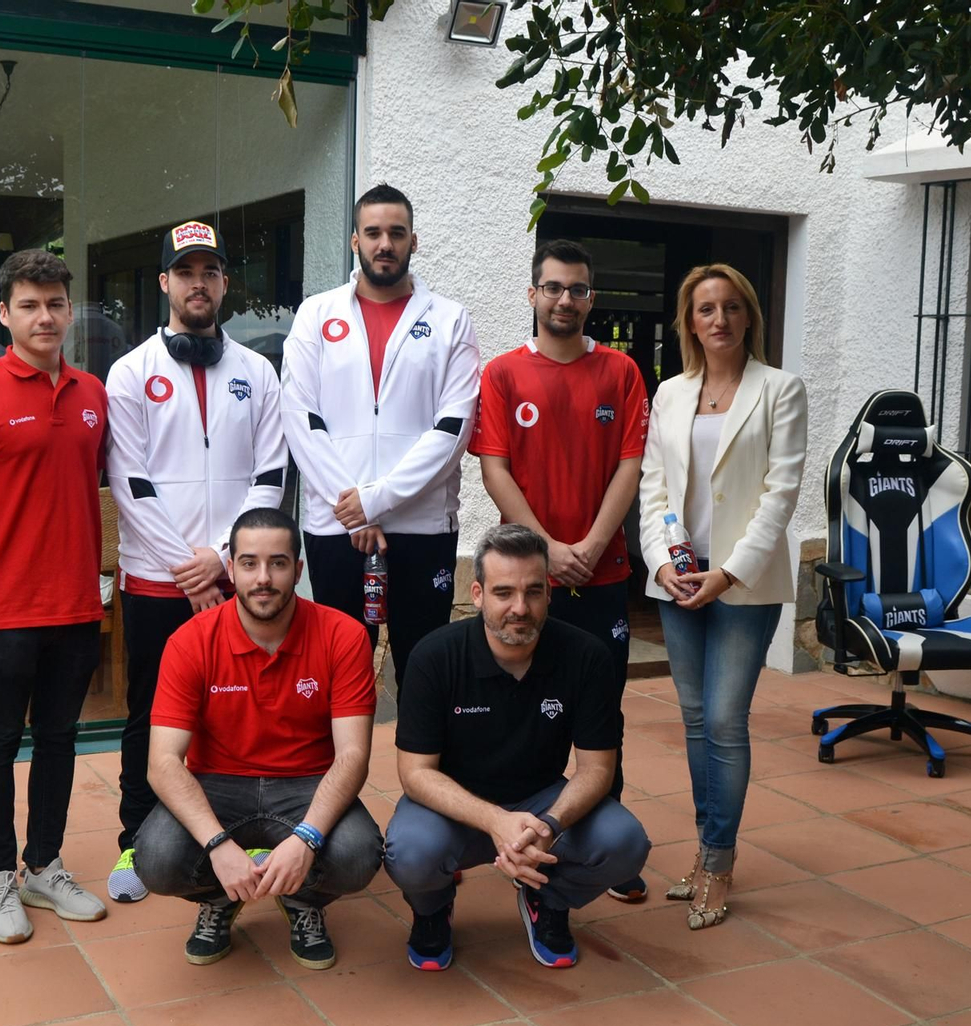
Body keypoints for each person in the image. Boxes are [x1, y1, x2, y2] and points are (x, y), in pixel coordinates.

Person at [104, 220, 287, 903]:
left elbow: (270, 475)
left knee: (240, 711)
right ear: (165, 283)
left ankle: (247, 827)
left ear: (225, 283)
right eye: (185, 272)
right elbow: (131, 482)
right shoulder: (131, 372)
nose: (198, 283)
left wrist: (222, 558)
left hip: (239, 578)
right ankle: (135, 839)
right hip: (158, 580)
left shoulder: (257, 372)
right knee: (150, 712)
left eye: (209, 271)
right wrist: (191, 565)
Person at [0, 249, 111, 944]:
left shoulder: (93, 394)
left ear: (69, 312)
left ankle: (43, 864)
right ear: (4, 314)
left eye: (56, 304)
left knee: (60, 740)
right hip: (4, 606)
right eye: (30, 305)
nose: (45, 317)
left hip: (75, 604)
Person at [470, 238, 649, 902]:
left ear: (590, 299)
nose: (564, 299)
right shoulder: (502, 374)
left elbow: (630, 466)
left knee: (602, 713)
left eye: (577, 289)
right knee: (518, 710)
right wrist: (546, 551)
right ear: (532, 294)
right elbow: (494, 469)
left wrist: (594, 545)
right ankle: (508, 837)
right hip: (529, 580)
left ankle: (607, 847)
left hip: (603, 573)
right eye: (553, 287)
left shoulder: (621, 372)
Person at [384, 524, 650, 971]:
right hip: (456, 806)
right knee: (410, 853)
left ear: (549, 593)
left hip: (541, 801)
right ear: (478, 594)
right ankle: (432, 909)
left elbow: (597, 770)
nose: (520, 608)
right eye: (503, 592)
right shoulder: (434, 657)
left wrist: (549, 824)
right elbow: (415, 773)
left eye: (533, 592)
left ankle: (548, 899)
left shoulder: (586, 656)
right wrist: (495, 820)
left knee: (626, 844)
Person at [133, 507, 383, 971]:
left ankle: (304, 899)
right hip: (217, 782)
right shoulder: (190, 641)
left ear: (298, 570)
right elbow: (162, 763)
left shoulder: (344, 635)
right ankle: (221, 895)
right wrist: (218, 848)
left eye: (278, 563)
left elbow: (353, 755)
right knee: (155, 859)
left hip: (307, 782)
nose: (263, 578)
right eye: (249, 563)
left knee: (358, 854)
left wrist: (307, 839)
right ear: (231, 570)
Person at [637, 263, 807, 930]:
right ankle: (706, 846)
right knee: (694, 718)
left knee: (726, 721)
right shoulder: (671, 393)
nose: (720, 319)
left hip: (743, 581)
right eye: (706, 308)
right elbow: (653, 488)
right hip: (679, 577)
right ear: (690, 321)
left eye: (732, 307)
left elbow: (780, 495)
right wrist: (660, 563)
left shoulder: (780, 389)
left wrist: (729, 573)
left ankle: (718, 861)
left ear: (749, 316)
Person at [281, 184, 480, 692]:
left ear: (414, 240)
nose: (384, 244)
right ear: (355, 241)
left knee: (425, 672)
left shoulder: (450, 320)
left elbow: (453, 428)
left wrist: (375, 501)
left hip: (422, 525)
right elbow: (301, 418)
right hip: (336, 525)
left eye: (396, 233)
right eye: (372, 233)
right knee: (340, 673)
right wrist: (356, 507)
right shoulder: (316, 314)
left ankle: (420, 750)